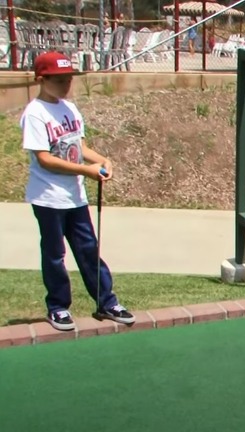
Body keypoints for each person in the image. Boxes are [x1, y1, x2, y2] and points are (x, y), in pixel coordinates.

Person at [20, 51, 136, 331]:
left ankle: (106, 302)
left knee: (88, 249)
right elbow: (45, 158)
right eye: (59, 80)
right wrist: (87, 171)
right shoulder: (35, 113)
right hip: (48, 197)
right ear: (42, 79)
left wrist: (101, 160)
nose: (65, 85)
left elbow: (79, 148)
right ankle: (58, 307)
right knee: (54, 253)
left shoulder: (70, 109)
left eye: (68, 79)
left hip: (75, 197)